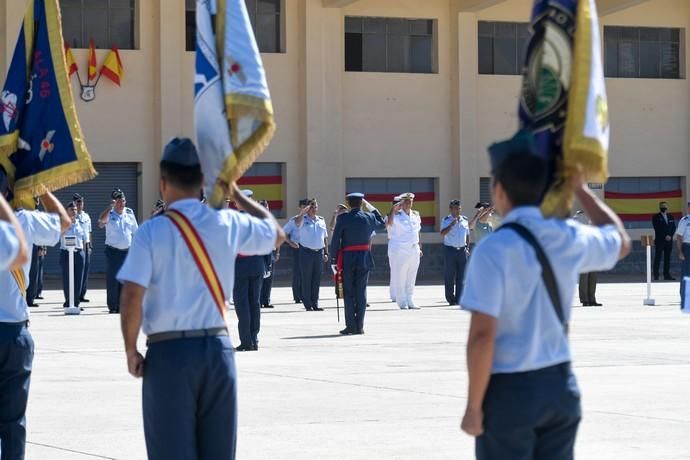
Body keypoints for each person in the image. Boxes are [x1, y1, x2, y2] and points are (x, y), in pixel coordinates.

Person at [459, 132, 631, 459]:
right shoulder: (568, 235)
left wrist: (474, 407)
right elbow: (620, 241)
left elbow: (482, 336)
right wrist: (581, 189)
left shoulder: (494, 249)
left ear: (499, 191)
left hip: (510, 392)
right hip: (560, 387)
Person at [118, 138, 284, 460]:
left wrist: (130, 350)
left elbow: (132, 295)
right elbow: (276, 234)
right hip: (218, 352)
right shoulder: (226, 222)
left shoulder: (151, 232)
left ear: (163, 183)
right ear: (202, 183)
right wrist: (236, 195)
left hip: (169, 354)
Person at [0, 191, 68, 459]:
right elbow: (63, 222)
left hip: (15, 332)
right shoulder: (24, 221)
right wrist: (41, 188)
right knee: (14, 421)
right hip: (15, 332)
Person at [330, 193, 385, 335]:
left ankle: (350, 326)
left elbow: (335, 240)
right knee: (361, 292)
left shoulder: (343, 218)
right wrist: (371, 208)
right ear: (361, 203)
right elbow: (383, 224)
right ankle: (359, 326)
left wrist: (333, 260)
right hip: (364, 258)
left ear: (348, 203)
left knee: (348, 292)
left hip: (348, 258)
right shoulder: (370, 217)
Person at [233, 190, 269, 351]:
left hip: (240, 265)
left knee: (242, 304)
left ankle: (246, 341)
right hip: (258, 264)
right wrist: (267, 265)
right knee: (254, 303)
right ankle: (254, 339)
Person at [99, 188, 139, 313]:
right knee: (113, 279)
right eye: (119, 201)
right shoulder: (109, 214)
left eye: (123, 201)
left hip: (127, 251)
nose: (122, 203)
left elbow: (135, 231)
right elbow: (101, 223)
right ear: (114, 202)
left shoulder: (129, 213)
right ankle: (113, 306)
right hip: (113, 252)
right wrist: (109, 207)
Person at [387, 192, 422, 310]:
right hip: (401, 249)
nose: (408, 204)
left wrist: (420, 247)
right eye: (406, 201)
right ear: (401, 203)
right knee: (400, 276)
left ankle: (410, 299)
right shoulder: (396, 216)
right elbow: (389, 223)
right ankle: (402, 301)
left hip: (414, 248)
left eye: (410, 201)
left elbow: (417, 232)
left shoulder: (416, 215)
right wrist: (393, 210)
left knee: (412, 275)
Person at [296, 198, 329, 311]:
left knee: (316, 279)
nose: (314, 209)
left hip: (318, 252)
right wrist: (303, 211)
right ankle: (307, 303)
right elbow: (297, 221)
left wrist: (326, 252)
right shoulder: (302, 220)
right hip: (306, 252)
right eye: (312, 207)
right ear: (308, 208)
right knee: (306, 278)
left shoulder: (321, 220)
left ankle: (315, 303)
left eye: (316, 207)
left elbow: (325, 238)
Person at [440, 200, 469, 306]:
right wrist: (451, 225)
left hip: (462, 251)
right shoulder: (446, 220)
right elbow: (442, 233)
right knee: (449, 275)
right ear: (450, 209)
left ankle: (459, 298)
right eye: (454, 208)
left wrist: (467, 247)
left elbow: (467, 235)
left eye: (458, 208)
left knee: (461, 277)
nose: (456, 210)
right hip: (450, 250)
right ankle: (450, 299)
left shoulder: (464, 220)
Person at [60, 202, 87, 309]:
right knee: (67, 279)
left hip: (79, 252)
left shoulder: (81, 222)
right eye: (72, 209)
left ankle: (76, 302)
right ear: (66, 211)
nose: (74, 211)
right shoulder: (62, 222)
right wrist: (67, 224)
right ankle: (68, 301)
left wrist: (84, 251)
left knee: (79, 279)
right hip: (66, 253)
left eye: (75, 209)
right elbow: (58, 234)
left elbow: (85, 238)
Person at [573, 210, 601, 307]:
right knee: (584, 276)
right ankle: (585, 299)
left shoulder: (594, 216)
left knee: (593, 276)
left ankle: (592, 298)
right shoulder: (577, 218)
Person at [283, 199, 309, 304]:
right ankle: (297, 296)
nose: (306, 208)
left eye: (307, 206)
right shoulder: (294, 221)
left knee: (307, 273)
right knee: (298, 273)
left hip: (309, 249)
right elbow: (283, 233)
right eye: (304, 206)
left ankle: (306, 295)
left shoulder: (312, 219)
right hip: (297, 248)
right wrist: (290, 243)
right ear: (300, 207)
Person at [74, 193, 93, 302]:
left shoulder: (86, 216)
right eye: (78, 202)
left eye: (81, 202)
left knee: (85, 272)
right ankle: (75, 295)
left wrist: (90, 245)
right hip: (76, 246)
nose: (80, 204)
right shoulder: (72, 215)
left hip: (86, 246)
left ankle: (82, 294)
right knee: (77, 272)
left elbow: (89, 231)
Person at [652, 201, 676, 281]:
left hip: (669, 241)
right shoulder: (656, 217)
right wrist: (665, 236)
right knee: (658, 258)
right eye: (662, 207)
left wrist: (670, 235)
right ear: (660, 207)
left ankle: (667, 275)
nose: (664, 208)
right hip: (660, 241)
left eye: (665, 206)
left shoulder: (671, 217)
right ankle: (656, 275)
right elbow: (657, 228)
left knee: (667, 258)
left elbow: (673, 227)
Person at [675, 201, 690, 310]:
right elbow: (679, 237)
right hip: (687, 248)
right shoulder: (684, 221)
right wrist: (680, 252)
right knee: (686, 274)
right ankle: (685, 299)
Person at [387, 196, 401, 303]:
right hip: (394, 244)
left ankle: (402, 293)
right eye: (396, 204)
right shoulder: (388, 217)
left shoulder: (404, 216)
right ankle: (394, 294)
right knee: (395, 270)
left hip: (405, 245)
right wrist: (393, 211)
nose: (398, 206)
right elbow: (389, 223)